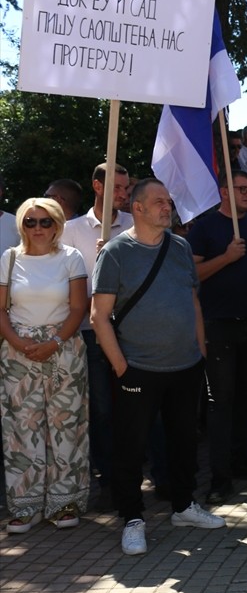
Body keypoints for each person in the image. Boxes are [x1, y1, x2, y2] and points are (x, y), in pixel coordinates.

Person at [91, 179, 226, 555]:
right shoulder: (116, 252)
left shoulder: (181, 246)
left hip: (185, 366)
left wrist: (200, 351)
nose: (168, 207)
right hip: (137, 369)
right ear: (138, 208)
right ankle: (132, 518)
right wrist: (122, 367)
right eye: (159, 202)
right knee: (130, 448)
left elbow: (193, 302)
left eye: (168, 201)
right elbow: (99, 316)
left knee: (184, 442)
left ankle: (184, 505)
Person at [0, 198, 88, 532]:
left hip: (63, 349)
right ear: (21, 225)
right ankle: (25, 505)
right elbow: (0, 310)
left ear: (57, 224)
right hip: (16, 353)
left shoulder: (71, 257)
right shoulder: (8, 259)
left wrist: (54, 343)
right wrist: (18, 343)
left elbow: (79, 308)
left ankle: (64, 502)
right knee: (21, 429)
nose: (38, 228)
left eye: (45, 222)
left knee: (65, 427)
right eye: (30, 222)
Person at [186, 171, 247, 505]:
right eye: (241, 188)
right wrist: (225, 257)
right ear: (224, 192)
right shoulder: (206, 227)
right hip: (217, 325)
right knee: (221, 402)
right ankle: (219, 476)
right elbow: (191, 274)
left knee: (244, 398)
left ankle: (240, 460)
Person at [59, 162, 133, 495]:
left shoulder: (134, 224)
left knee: (137, 404)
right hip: (91, 332)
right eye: (117, 187)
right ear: (97, 186)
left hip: (132, 328)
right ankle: (107, 478)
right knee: (101, 407)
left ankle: (149, 472)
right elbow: (64, 285)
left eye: (126, 188)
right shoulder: (72, 230)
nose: (123, 195)